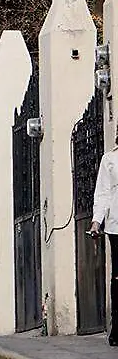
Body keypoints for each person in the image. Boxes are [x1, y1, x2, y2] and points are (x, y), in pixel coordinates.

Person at [89, 143, 118, 345]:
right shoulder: (110, 159)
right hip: (117, 226)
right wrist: (96, 221)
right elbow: (103, 193)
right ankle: (117, 327)